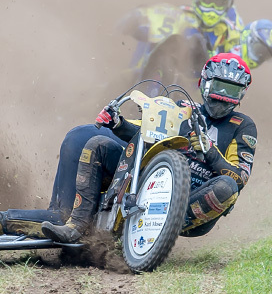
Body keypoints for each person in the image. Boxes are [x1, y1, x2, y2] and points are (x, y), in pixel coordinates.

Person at [38, 52, 257, 243]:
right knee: (98, 145)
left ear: (243, 93)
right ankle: (77, 224)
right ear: (205, 82)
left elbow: (240, 178)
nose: (223, 97)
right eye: (220, 87)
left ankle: (164, 227)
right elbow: (145, 135)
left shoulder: (243, 126)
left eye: (231, 90)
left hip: (192, 201)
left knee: (227, 186)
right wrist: (117, 124)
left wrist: (209, 151)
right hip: (151, 185)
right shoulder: (181, 107)